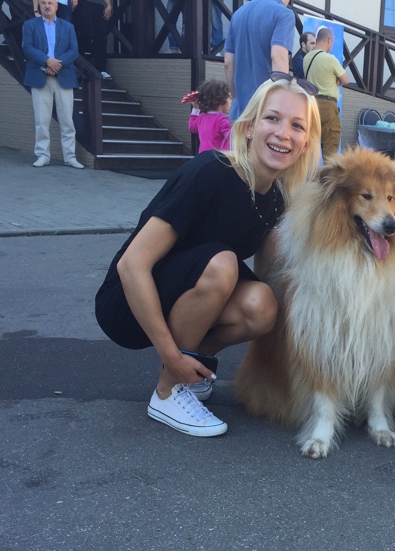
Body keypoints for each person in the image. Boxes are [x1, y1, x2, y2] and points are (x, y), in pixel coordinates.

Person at [94, 76, 321, 437]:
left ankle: (192, 368)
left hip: (188, 294)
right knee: (223, 263)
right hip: (126, 303)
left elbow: (270, 277)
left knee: (263, 305)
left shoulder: (278, 197)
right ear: (248, 127)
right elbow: (132, 265)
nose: (283, 134)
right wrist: (171, 357)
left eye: (297, 126)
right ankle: (169, 389)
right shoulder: (209, 172)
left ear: (306, 142)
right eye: (272, 118)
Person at [23, 0, 84, 169]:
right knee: (41, 121)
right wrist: (47, 61)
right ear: (39, 6)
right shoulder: (30, 25)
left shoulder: (68, 26)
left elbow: (74, 50)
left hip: (63, 76)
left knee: (67, 121)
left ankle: (70, 157)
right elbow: (27, 48)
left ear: (57, 6)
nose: (47, 5)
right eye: (43, 2)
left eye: (50, 2)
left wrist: (57, 64)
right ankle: (42, 155)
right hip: (39, 75)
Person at [223, 0, 296, 121]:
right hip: (267, 110)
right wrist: (282, 104)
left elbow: (228, 63)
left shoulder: (237, 15)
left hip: (241, 112)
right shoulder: (283, 13)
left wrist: (237, 100)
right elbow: (278, 58)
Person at [303, 26, 348, 161]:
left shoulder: (307, 58)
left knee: (311, 144)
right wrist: (336, 80)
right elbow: (345, 80)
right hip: (328, 105)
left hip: (311, 103)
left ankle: (307, 172)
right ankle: (328, 173)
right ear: (328, 40)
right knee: (330, 145)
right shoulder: (330, 59)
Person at [188, 79, 232, 152]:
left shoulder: (202, 117)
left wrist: (195, 109)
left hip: (203, 155)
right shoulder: (221, 120)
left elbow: (192, 127)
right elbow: (232, 137)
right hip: (219, 156)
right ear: (221, 100)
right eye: (229, 98)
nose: (231, 101)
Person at [73, 0, 112, 78]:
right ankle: (80, 68)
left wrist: (109, 6)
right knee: (84, 34)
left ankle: (101, 69)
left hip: (100, 6)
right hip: (83, 4)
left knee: (101, 37)